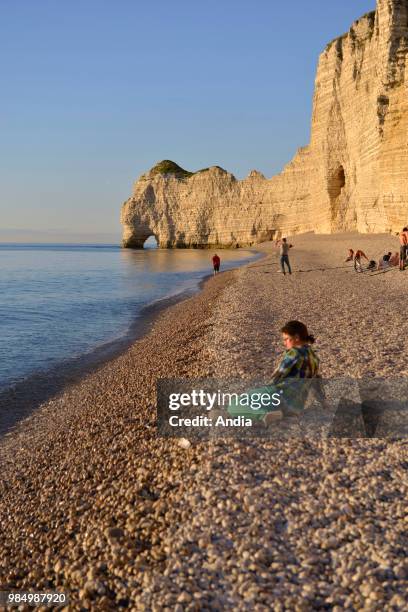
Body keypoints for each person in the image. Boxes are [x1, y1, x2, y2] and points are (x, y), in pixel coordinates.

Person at [227, 320, 320, 424]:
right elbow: (316, 381)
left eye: (286, 339)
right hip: (295, 406)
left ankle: (264, 415)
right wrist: (323, 402)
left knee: (234, 405)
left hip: (279, 395)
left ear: (297, 337)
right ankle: (281, 415)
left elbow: (279, 375)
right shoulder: (314, 357)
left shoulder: (294, 352)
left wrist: (264, 390)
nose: (284, 343)